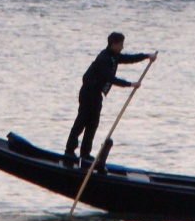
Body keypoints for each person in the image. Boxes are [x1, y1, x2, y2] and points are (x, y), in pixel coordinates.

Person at [64, 33, 158, 163]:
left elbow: (128, 58)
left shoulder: (114, 56)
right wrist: (130, 84)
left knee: (93, 124)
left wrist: (147, 56)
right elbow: (110, 78)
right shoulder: (104, 58)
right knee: (81, 122)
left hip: (97, 95)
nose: (122, 47)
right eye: (120, 44)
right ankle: (69, 151)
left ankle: (85, 154)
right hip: (88, 93)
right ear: (113, 44)